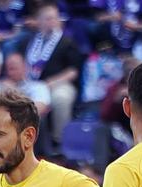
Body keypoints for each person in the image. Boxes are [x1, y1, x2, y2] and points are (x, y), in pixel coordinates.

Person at [20, 2, 83, 141]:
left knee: (61, 98)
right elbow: (23, 64)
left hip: (59, 84)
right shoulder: (29, 41)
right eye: (48, 19)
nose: (52, 22)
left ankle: (60, 140)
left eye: (54, 18)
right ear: (39, 21)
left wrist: (52, 83)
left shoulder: (67, 42)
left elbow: (73, 71)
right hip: (32, 83)